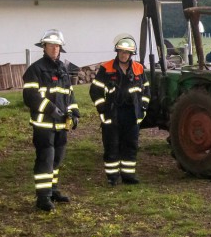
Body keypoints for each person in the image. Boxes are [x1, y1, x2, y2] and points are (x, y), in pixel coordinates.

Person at [22, 29, 80, 212]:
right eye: (51, 45)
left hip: (62, 125)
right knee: (45, 160)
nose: (55, 49)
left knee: (57, 160)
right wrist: (51, 109)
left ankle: (53, 190)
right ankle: (43, 198)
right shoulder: (35, 70)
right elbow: (30, 96)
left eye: (57, 46)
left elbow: (69, 95)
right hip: (44, 125)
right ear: (44, 47)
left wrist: (74, 114)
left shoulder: (62, 68)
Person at [90, 34, 151, 186]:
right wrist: (102, 109)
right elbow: (95, 91)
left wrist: (143, 107)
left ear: (131, 54)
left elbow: (147, 90)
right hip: (112, 112)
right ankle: (112, 177)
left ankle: (128, 176)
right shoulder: (106, 68)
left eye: (126, 52)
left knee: (130, 145)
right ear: (117, 52)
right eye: (121, 51)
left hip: (131, 113)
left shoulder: (138, 68)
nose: (123, 55)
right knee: (112, 145)